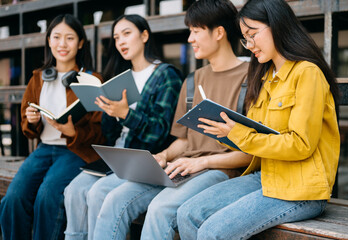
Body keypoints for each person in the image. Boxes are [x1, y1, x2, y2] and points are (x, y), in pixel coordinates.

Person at [176, 0, 341, 239]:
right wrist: (225, 130)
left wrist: (239, 134)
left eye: (252, 35)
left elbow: (301, 144)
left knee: (212, 232)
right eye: (245, 38)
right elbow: (257, 135)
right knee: (187, 213)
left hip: (300, 189)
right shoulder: (265, 77)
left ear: (277, 25)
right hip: (265, 177)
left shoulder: (307, 73)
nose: (249, 44)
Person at [92, 1, 252, 239]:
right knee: (115, 198)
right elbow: (186, 141)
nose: (190, 39)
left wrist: (201, 163)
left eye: (196, 31)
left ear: (219, 32)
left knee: (160, 209)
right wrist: (164, 156)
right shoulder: (192, 80)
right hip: (184, 166)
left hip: (222, 170)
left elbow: (252, 151)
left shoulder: (250, 78)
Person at [63, 14, 183, 240]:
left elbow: (159, 132)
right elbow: (110, 135)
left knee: (98, 193)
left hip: (143, 158)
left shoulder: (166, 75)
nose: (121, 42)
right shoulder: (120, 78)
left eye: (127, 34)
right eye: (116, 38)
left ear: (145, 35)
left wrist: (126, 114)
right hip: (116, 155)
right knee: (74, 190)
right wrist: (108, 111)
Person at [0, 14, 105, 240]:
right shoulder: (38, 78)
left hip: (74, 151)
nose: (62, 44)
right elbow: (26, 126)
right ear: (49, 41)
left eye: (69, 38)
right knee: (13, 198)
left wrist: (73, 133)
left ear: (80, 43)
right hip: (44, 149)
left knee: (47, 196)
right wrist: (32, 120)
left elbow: (101, 130)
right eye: (56, 37)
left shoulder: (92, 80)